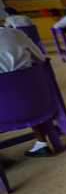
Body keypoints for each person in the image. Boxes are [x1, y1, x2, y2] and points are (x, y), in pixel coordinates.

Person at [0, 27, 50, 157]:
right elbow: (40, 58)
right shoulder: (14, 32)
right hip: (37, 105)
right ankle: (42, 141)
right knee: (24, 91)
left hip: (2, 114)